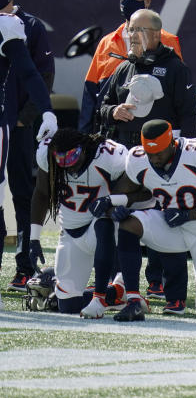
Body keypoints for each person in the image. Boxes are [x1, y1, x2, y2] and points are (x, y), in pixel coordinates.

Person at [95, 8, 196, 306]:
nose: (131, 36)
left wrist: (184, 157)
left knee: (165, 219)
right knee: (121, 219)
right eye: (129, 30)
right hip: (125, 157)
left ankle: (165, 286)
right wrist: (113, 112)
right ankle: (121, 283)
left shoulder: (176, 68)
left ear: (155, 34)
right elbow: (101, 107)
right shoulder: (123, 69)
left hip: (162, 159)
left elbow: (189, 116)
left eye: (137, 30)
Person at [105, 120, 196, 321]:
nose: (154, 159)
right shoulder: (138, 159)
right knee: (129, 224)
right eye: (150, 153)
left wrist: (189, 215)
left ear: (172, 144)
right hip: (170, 226)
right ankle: (134, 302)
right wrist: (116, 207)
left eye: (159, 153)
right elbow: (127, 192)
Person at [29, 129, 147, 316]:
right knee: (67, 306)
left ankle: (101, 298)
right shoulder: (47, 153)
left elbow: (142, 189)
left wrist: (120, 203)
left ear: (83, 149)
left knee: (103, 222)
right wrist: (34, 238)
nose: (68, 166)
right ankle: (116, 292)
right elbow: (42, 194)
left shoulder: (110, 156)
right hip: (70, 232)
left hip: (101, 226)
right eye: (62, 161)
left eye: (72, 157)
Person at [0, 0, 56, 291]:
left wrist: (26, 116)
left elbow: (41, 75)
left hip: (17, 124)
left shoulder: (29, 26)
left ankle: (24, 266)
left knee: (22, 193)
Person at [80, 0, 182, 133]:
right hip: (112, 134)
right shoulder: (106, 43)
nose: (128, 0)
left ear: (147, 0)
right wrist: (84, 136)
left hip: (154, 134)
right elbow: (90, 93)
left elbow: (179, 90)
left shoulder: (168, 40)